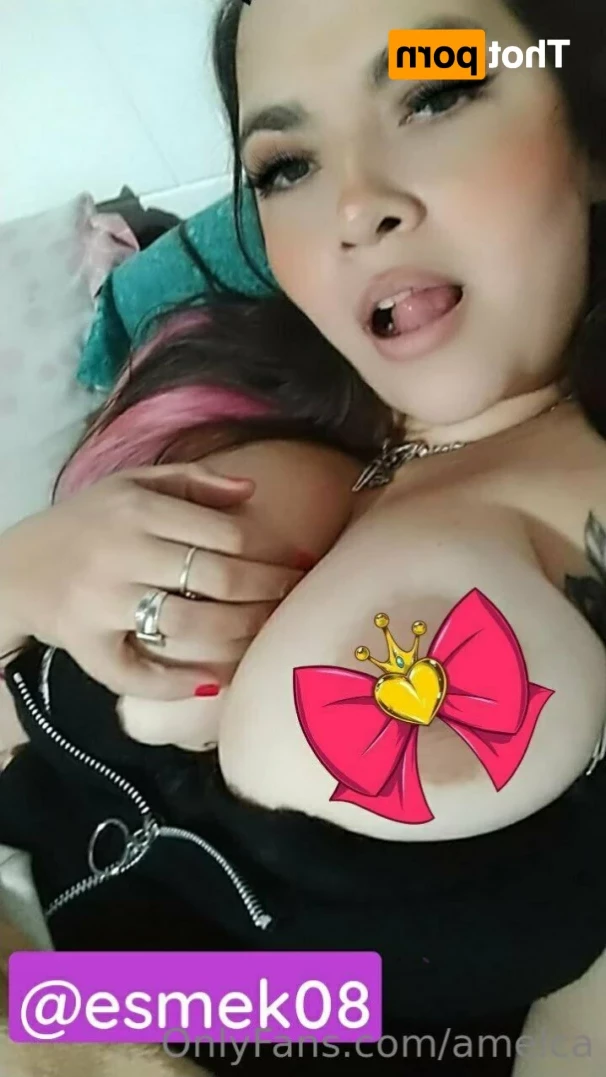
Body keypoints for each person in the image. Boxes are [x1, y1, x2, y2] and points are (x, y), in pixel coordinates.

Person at [1, 0, 606, 1073]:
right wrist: (22, 574)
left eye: (436, 94)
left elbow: (380, 1005)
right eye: (287, 167)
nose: (356, 207)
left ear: (589, 130)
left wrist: (43, 1012)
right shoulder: (268, 419)